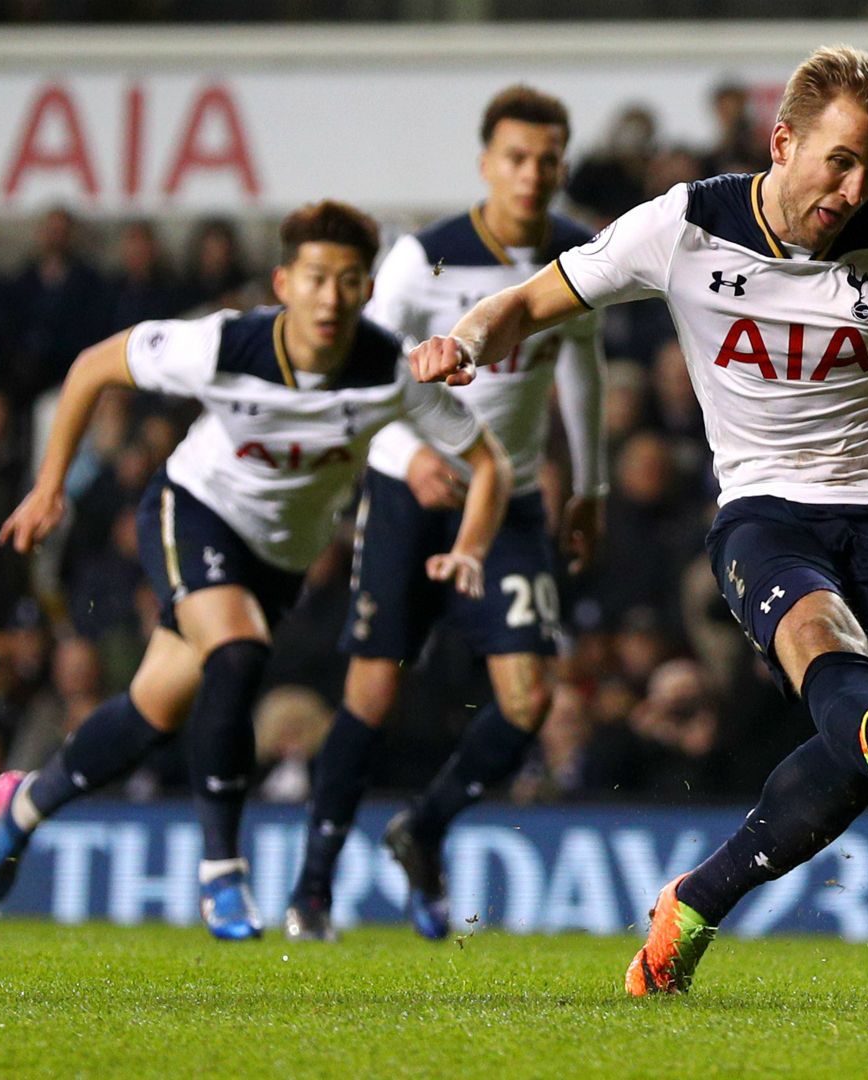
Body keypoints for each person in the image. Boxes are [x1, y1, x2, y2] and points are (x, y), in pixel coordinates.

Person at [410, 45, 868, 994]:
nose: (854, 189)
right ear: (783, 143)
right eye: (839, 162)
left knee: (867, 740)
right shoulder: (684, 227)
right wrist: (463, 340)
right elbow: (526, 303)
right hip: (767, 509)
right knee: (833, 660)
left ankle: (694, 902)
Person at [0, 201, 509, 942]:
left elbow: (487, 463)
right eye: (315, 278)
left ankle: (23, 806)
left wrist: (470, 545)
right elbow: (92, 367)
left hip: (279, 558)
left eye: (348, 280)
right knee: (239, 651)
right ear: (284, 283)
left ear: (368, 289)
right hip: (194, 508)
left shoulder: (390, 371)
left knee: (153, 712)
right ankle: (222, 872)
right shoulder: (221, 345)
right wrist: (51, 485)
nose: (331, 297)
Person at [281, 86, 606, 944]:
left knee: (529, 699)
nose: (531, 174)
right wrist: (406, 451)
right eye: (516, 158)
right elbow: (360, 366)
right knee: (373, 690)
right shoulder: (422, 258)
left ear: (562, 166)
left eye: (547, 160)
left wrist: (592, 485)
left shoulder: (577, 255)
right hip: (407, 490)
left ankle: (422, 829)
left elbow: (582, 366)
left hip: (516, 498)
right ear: (485, 163)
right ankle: (312, 889)